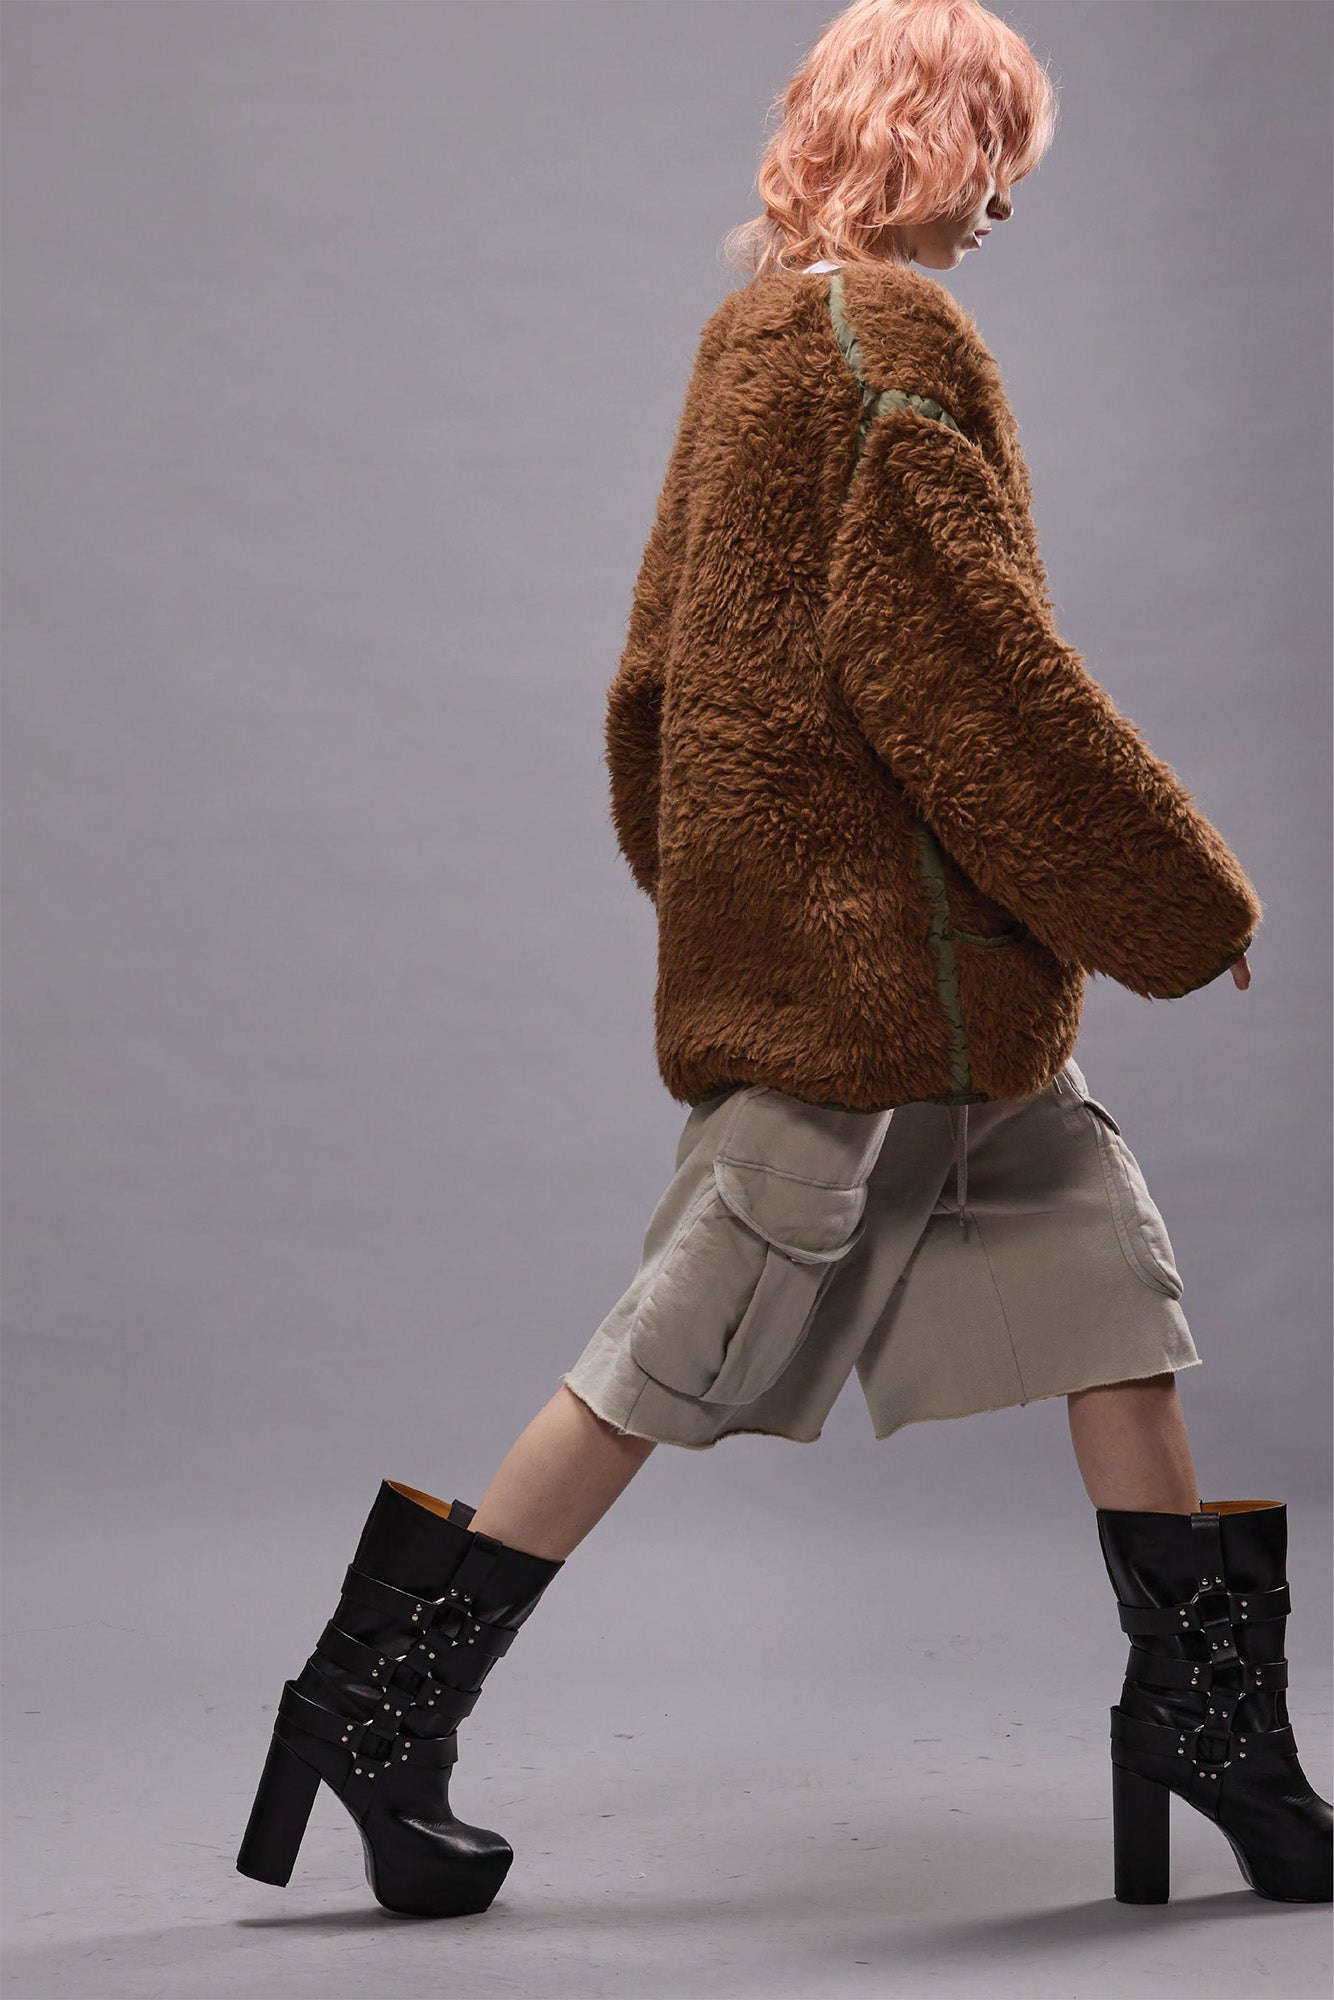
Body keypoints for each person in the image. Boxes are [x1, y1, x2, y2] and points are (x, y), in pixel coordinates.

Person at [236, 0, 1331, 1919]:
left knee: (1113, 1311)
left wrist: (720, 896)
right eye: (997, 156)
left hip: (926, 990)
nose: (1005, 204)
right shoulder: (879, 336)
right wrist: (1176, 898)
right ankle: (369, 1709)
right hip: (871, 993)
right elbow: (967, 666)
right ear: (935, 139)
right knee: (661, 1356)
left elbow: (652, 684)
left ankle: (1213, 1738)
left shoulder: (756, 334)